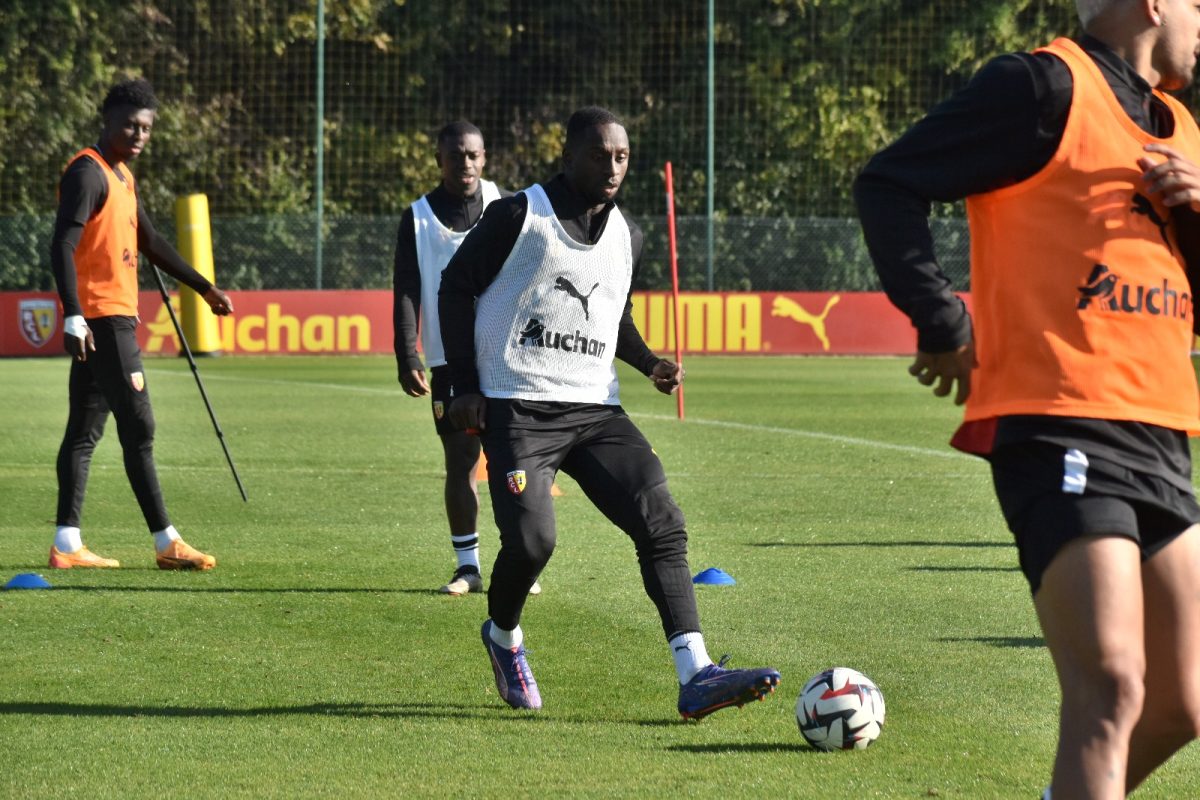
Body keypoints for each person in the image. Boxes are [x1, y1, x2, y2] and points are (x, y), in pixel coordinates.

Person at [855, 2, 1200, 797]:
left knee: (1182, 699)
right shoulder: (1041, 87)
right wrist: (941, 318)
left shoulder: (1180, 126)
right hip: (1061, 418)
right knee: (1109, 685)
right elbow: (889, 181)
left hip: (1162, 430)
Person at [439, 105, 780, 717]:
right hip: (518, 408)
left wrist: (648, 362)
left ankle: (696, 672)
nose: (613, 165)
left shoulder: (629, 235)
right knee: (533, 543)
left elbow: (611, 317)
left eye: (622, 156)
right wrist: (464, 385)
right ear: (568, 156)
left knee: (662, 523)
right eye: (600, 154)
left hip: (596, 411)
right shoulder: (519, 215)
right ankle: (504, 635)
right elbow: (455, 287)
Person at [48, 77, 234, 571]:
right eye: (129, 124)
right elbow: (62, 245)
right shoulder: (89, 174)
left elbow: (151, 242)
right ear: (106, 120)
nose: (138, 134)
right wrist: (73, 313)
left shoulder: (123, 176)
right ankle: (167, 542)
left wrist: (203, 287)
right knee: (140, 427)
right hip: (103, 320)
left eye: (146, 128)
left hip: (106, 320)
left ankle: (67, 545)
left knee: (84, 433)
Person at [392, 121, 543, 597]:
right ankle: (468, 567)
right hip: (448, 361)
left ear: (485, 157)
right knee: (461, 459)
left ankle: (516, 563)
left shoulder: (508, 206)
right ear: (440, 159)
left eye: (474, 155)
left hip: (506, 353)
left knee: (512, 459)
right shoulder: (417, 218)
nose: (467, 164)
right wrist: (406, 351)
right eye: (457, 155)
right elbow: (407, 289)